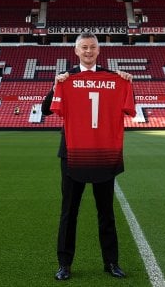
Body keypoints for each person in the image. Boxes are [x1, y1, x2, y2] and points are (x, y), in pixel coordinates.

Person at [41, 32, 134, 281]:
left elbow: (126, 104)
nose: (89, 51)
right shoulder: (66, 78)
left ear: (99, 50)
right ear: (76, 51)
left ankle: (111, 262)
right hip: (72, 152)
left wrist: (125, 79)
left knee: (106, 211)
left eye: (92, 47)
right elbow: (45, 110)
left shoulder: (115, 78)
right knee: (69, 210)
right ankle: (64, 264)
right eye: (84, 47)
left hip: (103, 152)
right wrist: (55, 85)